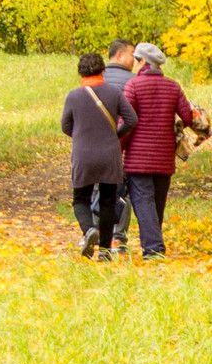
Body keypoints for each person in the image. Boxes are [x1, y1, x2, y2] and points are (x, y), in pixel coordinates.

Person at [120, 42, 200, 260]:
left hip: (138, 158)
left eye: (136, 60)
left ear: (144, 62)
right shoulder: (173, 87)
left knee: (143, 201)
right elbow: (187, 116)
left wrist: (117, 149)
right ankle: (153, 243)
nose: (134, 64)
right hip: (164, 157)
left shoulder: (133, 86)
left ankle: (153, 249)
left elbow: (126, 123)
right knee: (157, 203)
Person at [61, 51, 136, 262]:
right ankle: (104, 251)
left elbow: (65, 126)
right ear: (103, 71)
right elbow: (131, 119)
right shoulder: (113, 92)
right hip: (109, 155)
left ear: (80, 73)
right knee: (108, 201)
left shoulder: (73, 96)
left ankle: (88, 231)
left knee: (80, 199)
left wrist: (80, 136)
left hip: (83, 155)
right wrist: (114, 136)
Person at [101, 39, 139, 252]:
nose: (134, 59)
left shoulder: (97, 81)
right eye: (132, 54)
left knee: (99, 189)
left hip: (97, 145)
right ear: (119, 56)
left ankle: (95, 231)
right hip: (125, 145)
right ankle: (118, 237)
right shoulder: (132, 82)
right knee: (122, 192)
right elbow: (134, 118)